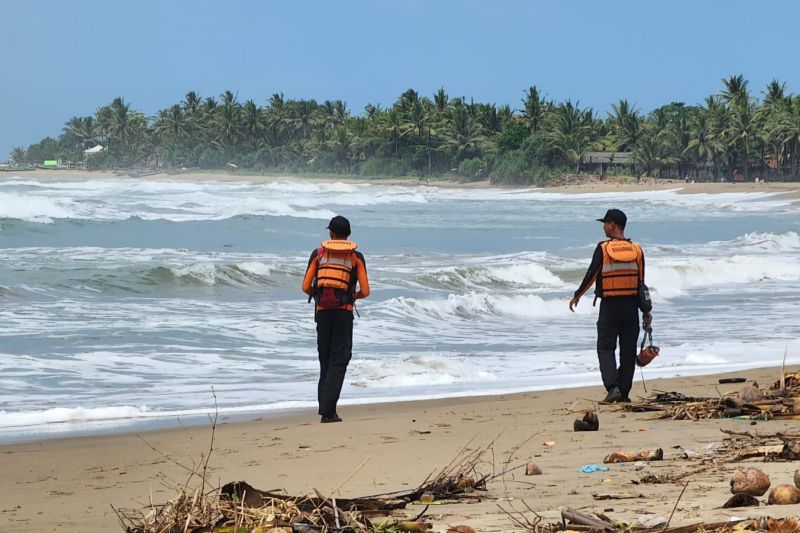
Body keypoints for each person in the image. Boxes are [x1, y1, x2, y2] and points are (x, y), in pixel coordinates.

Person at [568, 209, 653, 403]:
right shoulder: (637, 250)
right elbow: (641, 283)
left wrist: (577, 295)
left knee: (605, 348)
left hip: (610, 308)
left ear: (612, 224)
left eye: (605, 223)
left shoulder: (604, 248)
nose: (604, 227)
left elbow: (592, 273)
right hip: (631, 308)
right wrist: (646, 311)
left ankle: (612, 387)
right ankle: (623, 393)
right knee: (628, 351)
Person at [302, 215, 370, 423]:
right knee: (339, 360)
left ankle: (327, 409)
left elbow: (305, 287)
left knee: (325, 359)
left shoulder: (319, 253)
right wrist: (351, 297)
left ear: (331, 233)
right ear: (348, 235)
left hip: (322, 313)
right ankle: (328, 412)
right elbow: (366, 291)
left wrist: (319, 296)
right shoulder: (355, 256)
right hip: (344, 312)